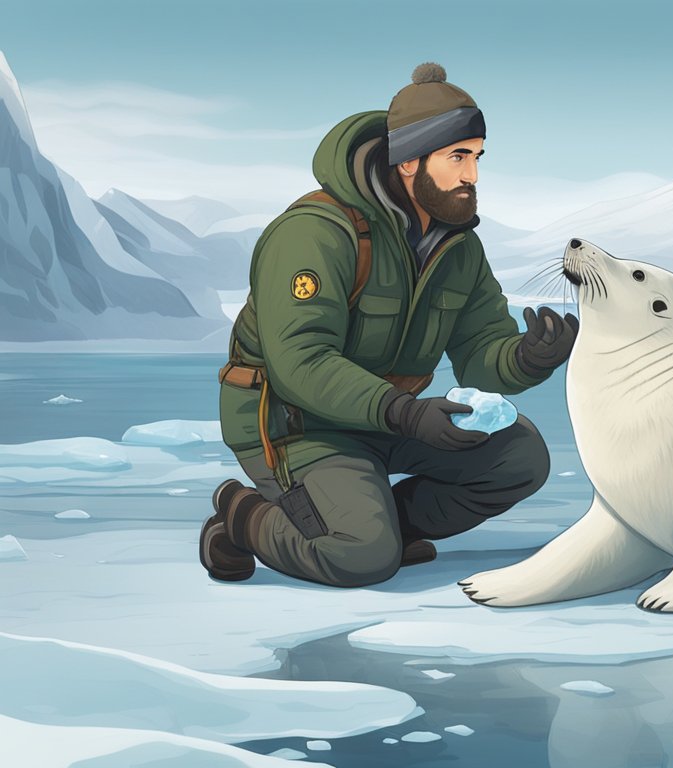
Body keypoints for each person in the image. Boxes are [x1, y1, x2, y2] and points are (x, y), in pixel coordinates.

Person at [199, 62, 578, 588]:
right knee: (361, 559)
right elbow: (299, 364)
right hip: (298, 426)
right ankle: (242, 517)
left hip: (391, 420)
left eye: (476, 157)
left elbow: (480, 351)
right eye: (458, 157)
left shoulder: (458, 247)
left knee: (518, 457)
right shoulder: (315, 234)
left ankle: (382, 524)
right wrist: (405, 413)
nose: (472, 174)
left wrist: (526, 357)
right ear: (409, 162)